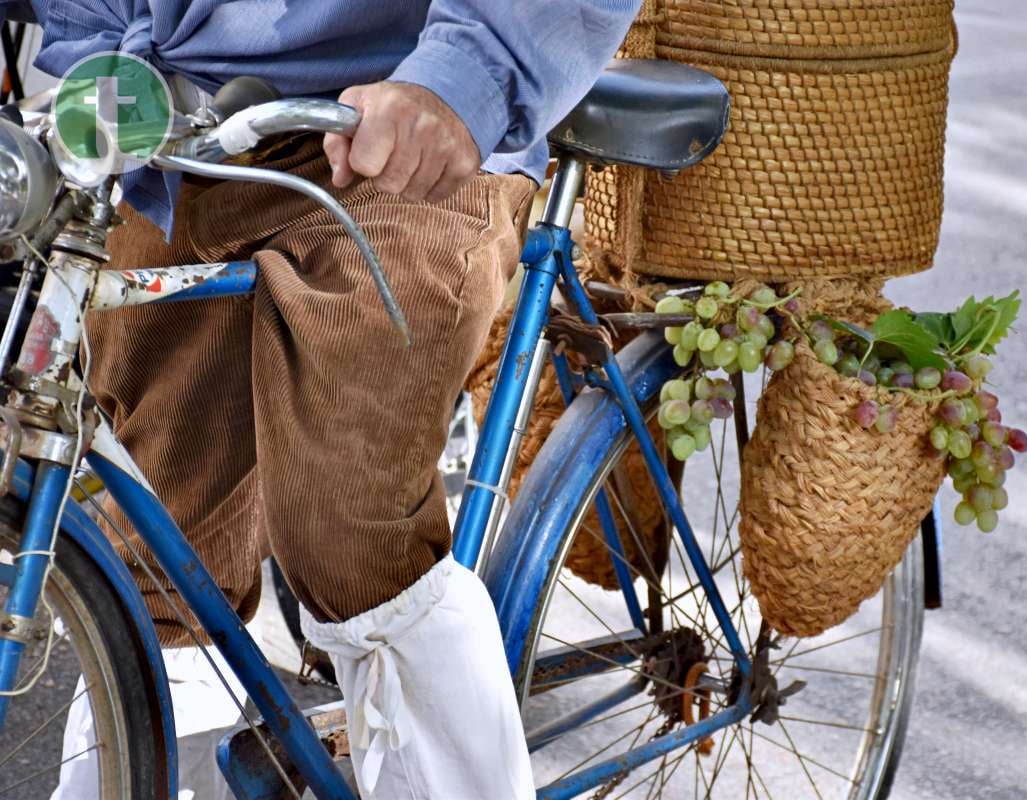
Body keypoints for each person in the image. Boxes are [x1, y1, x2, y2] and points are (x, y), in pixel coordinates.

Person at [0, 1, 643, 797]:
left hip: (398, 128)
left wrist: (461, 79)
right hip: (161, 114)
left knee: (350, 528)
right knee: (152, 532)